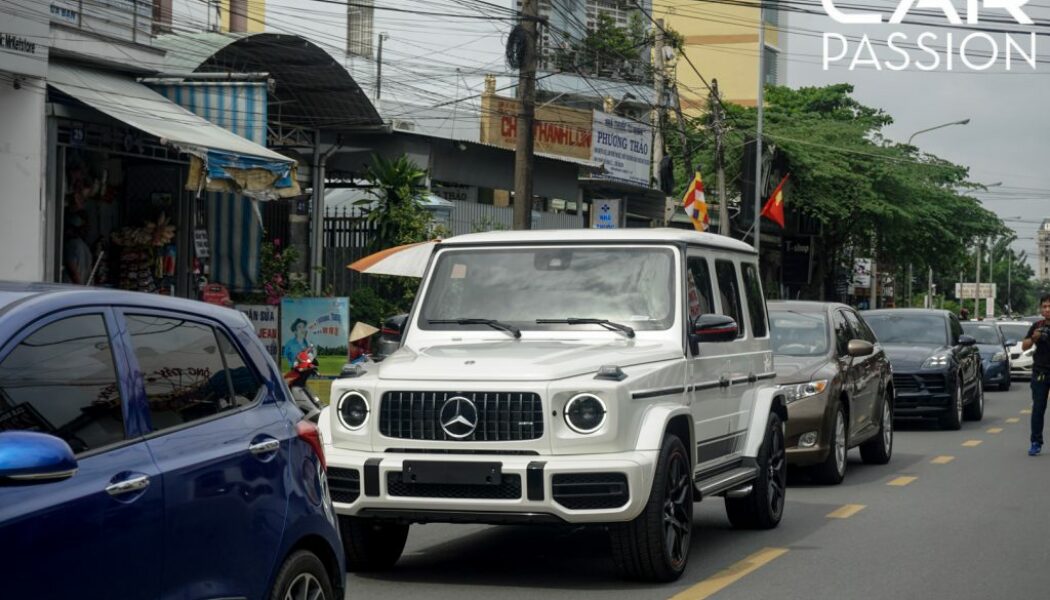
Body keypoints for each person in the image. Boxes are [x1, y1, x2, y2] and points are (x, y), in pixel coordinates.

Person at [1021, 294, 1050, 456]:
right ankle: (1035, 442)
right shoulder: (1037, 326)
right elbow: (1025, 346)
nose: (1047, 310)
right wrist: (1034, 338)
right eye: (1044, 306)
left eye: (1049, 306)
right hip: (1041, 372)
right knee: (1038, 408)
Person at [63, 213, 93, 285]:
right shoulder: (85, 247)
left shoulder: (71, 245)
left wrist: (80, 286)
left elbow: (73, 270)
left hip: (72, 288)